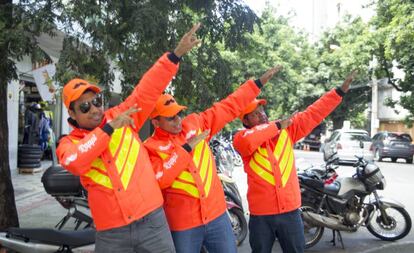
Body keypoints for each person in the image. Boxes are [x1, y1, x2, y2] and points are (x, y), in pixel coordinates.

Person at [56, 24, 201, 253]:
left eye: (97, 101)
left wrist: (175, 55)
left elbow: (148, 89)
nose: (94, 109)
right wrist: (109, 129)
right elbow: (75, 161)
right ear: (72, 114)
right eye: (84, 106)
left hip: (152, 223)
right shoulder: (69, 143)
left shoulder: (124, 115)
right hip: (111, 233)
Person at [143, 66, 282, 253]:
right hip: (183, 224)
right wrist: (186, 149)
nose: (178, 120)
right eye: (170, 118)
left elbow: (228, 106)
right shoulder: (150, 147)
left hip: (217, 216)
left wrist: (257, 84)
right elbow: (161, 180)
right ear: (156, 122)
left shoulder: (194, 123)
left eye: (178, 114)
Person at [233, 70, 357, 253]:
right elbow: (249, 141)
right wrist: (276, 126)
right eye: (255, 113)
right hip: (261, 215)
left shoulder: (285, 130)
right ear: (245, 121)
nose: (262, 114)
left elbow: (313, 113)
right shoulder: (242, 137)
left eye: (262, 110)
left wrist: (339, 92)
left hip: (290, 212)